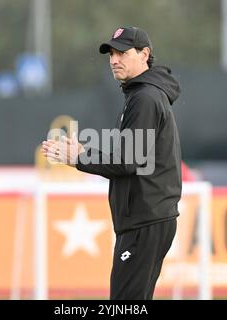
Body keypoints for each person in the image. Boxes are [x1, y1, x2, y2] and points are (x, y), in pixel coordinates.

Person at [42, 26, 182, 300]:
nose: (114, 60)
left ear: (145, 54)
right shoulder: (142, 94)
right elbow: (131, 155)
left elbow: (128, 160)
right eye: (111, 54)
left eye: (122, 53)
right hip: (148, 218)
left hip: (145, 219)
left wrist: (79, 158)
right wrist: (86, 150)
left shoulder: (144, 98)